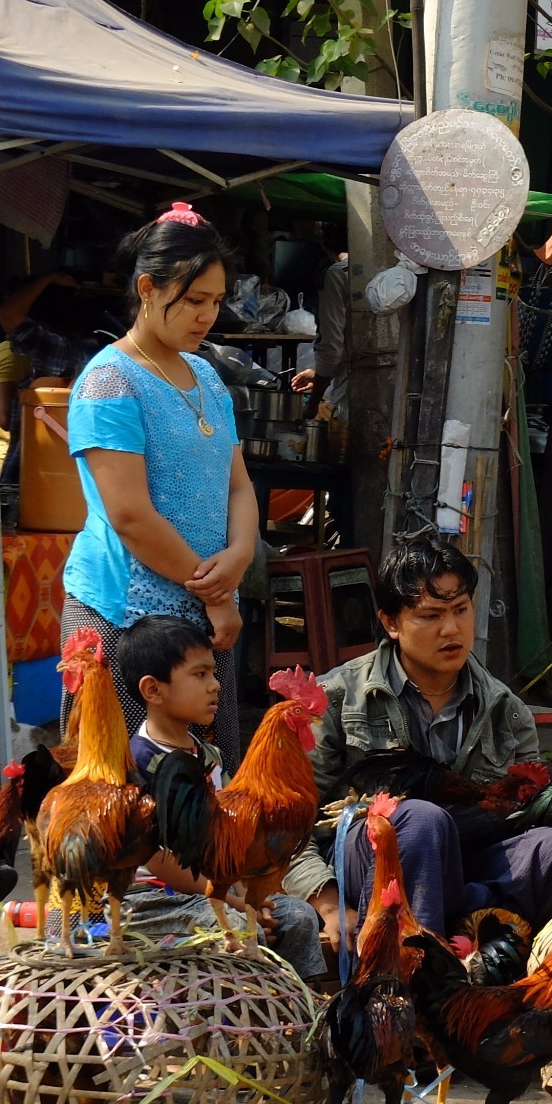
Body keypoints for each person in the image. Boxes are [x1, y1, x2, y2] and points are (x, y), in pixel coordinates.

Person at [311, 534, 552, 937]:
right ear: (391, 623)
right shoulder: (338, 698)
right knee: (419, 821)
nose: (452, 628)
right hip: (368, 858)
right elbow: (283, 824)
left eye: (461, 610)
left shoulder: (506, 710)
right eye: (431, 616)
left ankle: (534, 986)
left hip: (467, 861)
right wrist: (327, 902)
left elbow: (523, 821)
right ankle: (409, 981)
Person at [60, 204, 258, 764]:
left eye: (216, 301)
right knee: (120, 795)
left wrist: (241, 553)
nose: (207, 316)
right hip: (126, 617)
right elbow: (130, 516)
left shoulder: (208, 376)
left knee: (206, 794)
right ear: (148, 288)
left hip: (204, 611)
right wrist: (217, 590)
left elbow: (237, 485)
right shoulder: (108, 381)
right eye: (194, 300)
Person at [117, 616, 328, 980]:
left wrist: (251, 897)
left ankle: (297, 1006)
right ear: (153, 689)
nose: (215, 685)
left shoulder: (208, 754)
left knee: (299, 917)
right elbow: (157, 857)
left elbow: (237, 839)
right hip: (149, 900)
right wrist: (236, 900)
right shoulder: (138, 760)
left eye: (214, 673)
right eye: (200, 675)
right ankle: (231, 1023)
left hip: (217, 888)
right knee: (239, 928)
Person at [290, 223, 349, 418]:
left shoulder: (337, 275)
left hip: (352, 393)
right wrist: (319, 375)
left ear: (325, 246)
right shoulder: (383, 273)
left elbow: (332, 350)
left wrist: (313, 402)